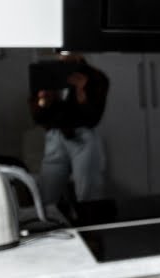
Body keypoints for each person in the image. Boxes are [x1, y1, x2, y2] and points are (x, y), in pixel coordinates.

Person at [29, 52, 109, 204]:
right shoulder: (47, 74)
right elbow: (37, 116)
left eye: (68, 51)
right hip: (55, 135)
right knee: (47, 193)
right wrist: (43, 101)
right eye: (60, 52)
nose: (64, 56)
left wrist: (81, 92)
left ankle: (91, 224)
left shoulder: (95, 77)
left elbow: (93, 118)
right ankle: (50, 224)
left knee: (88, 193)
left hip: (82, 136)